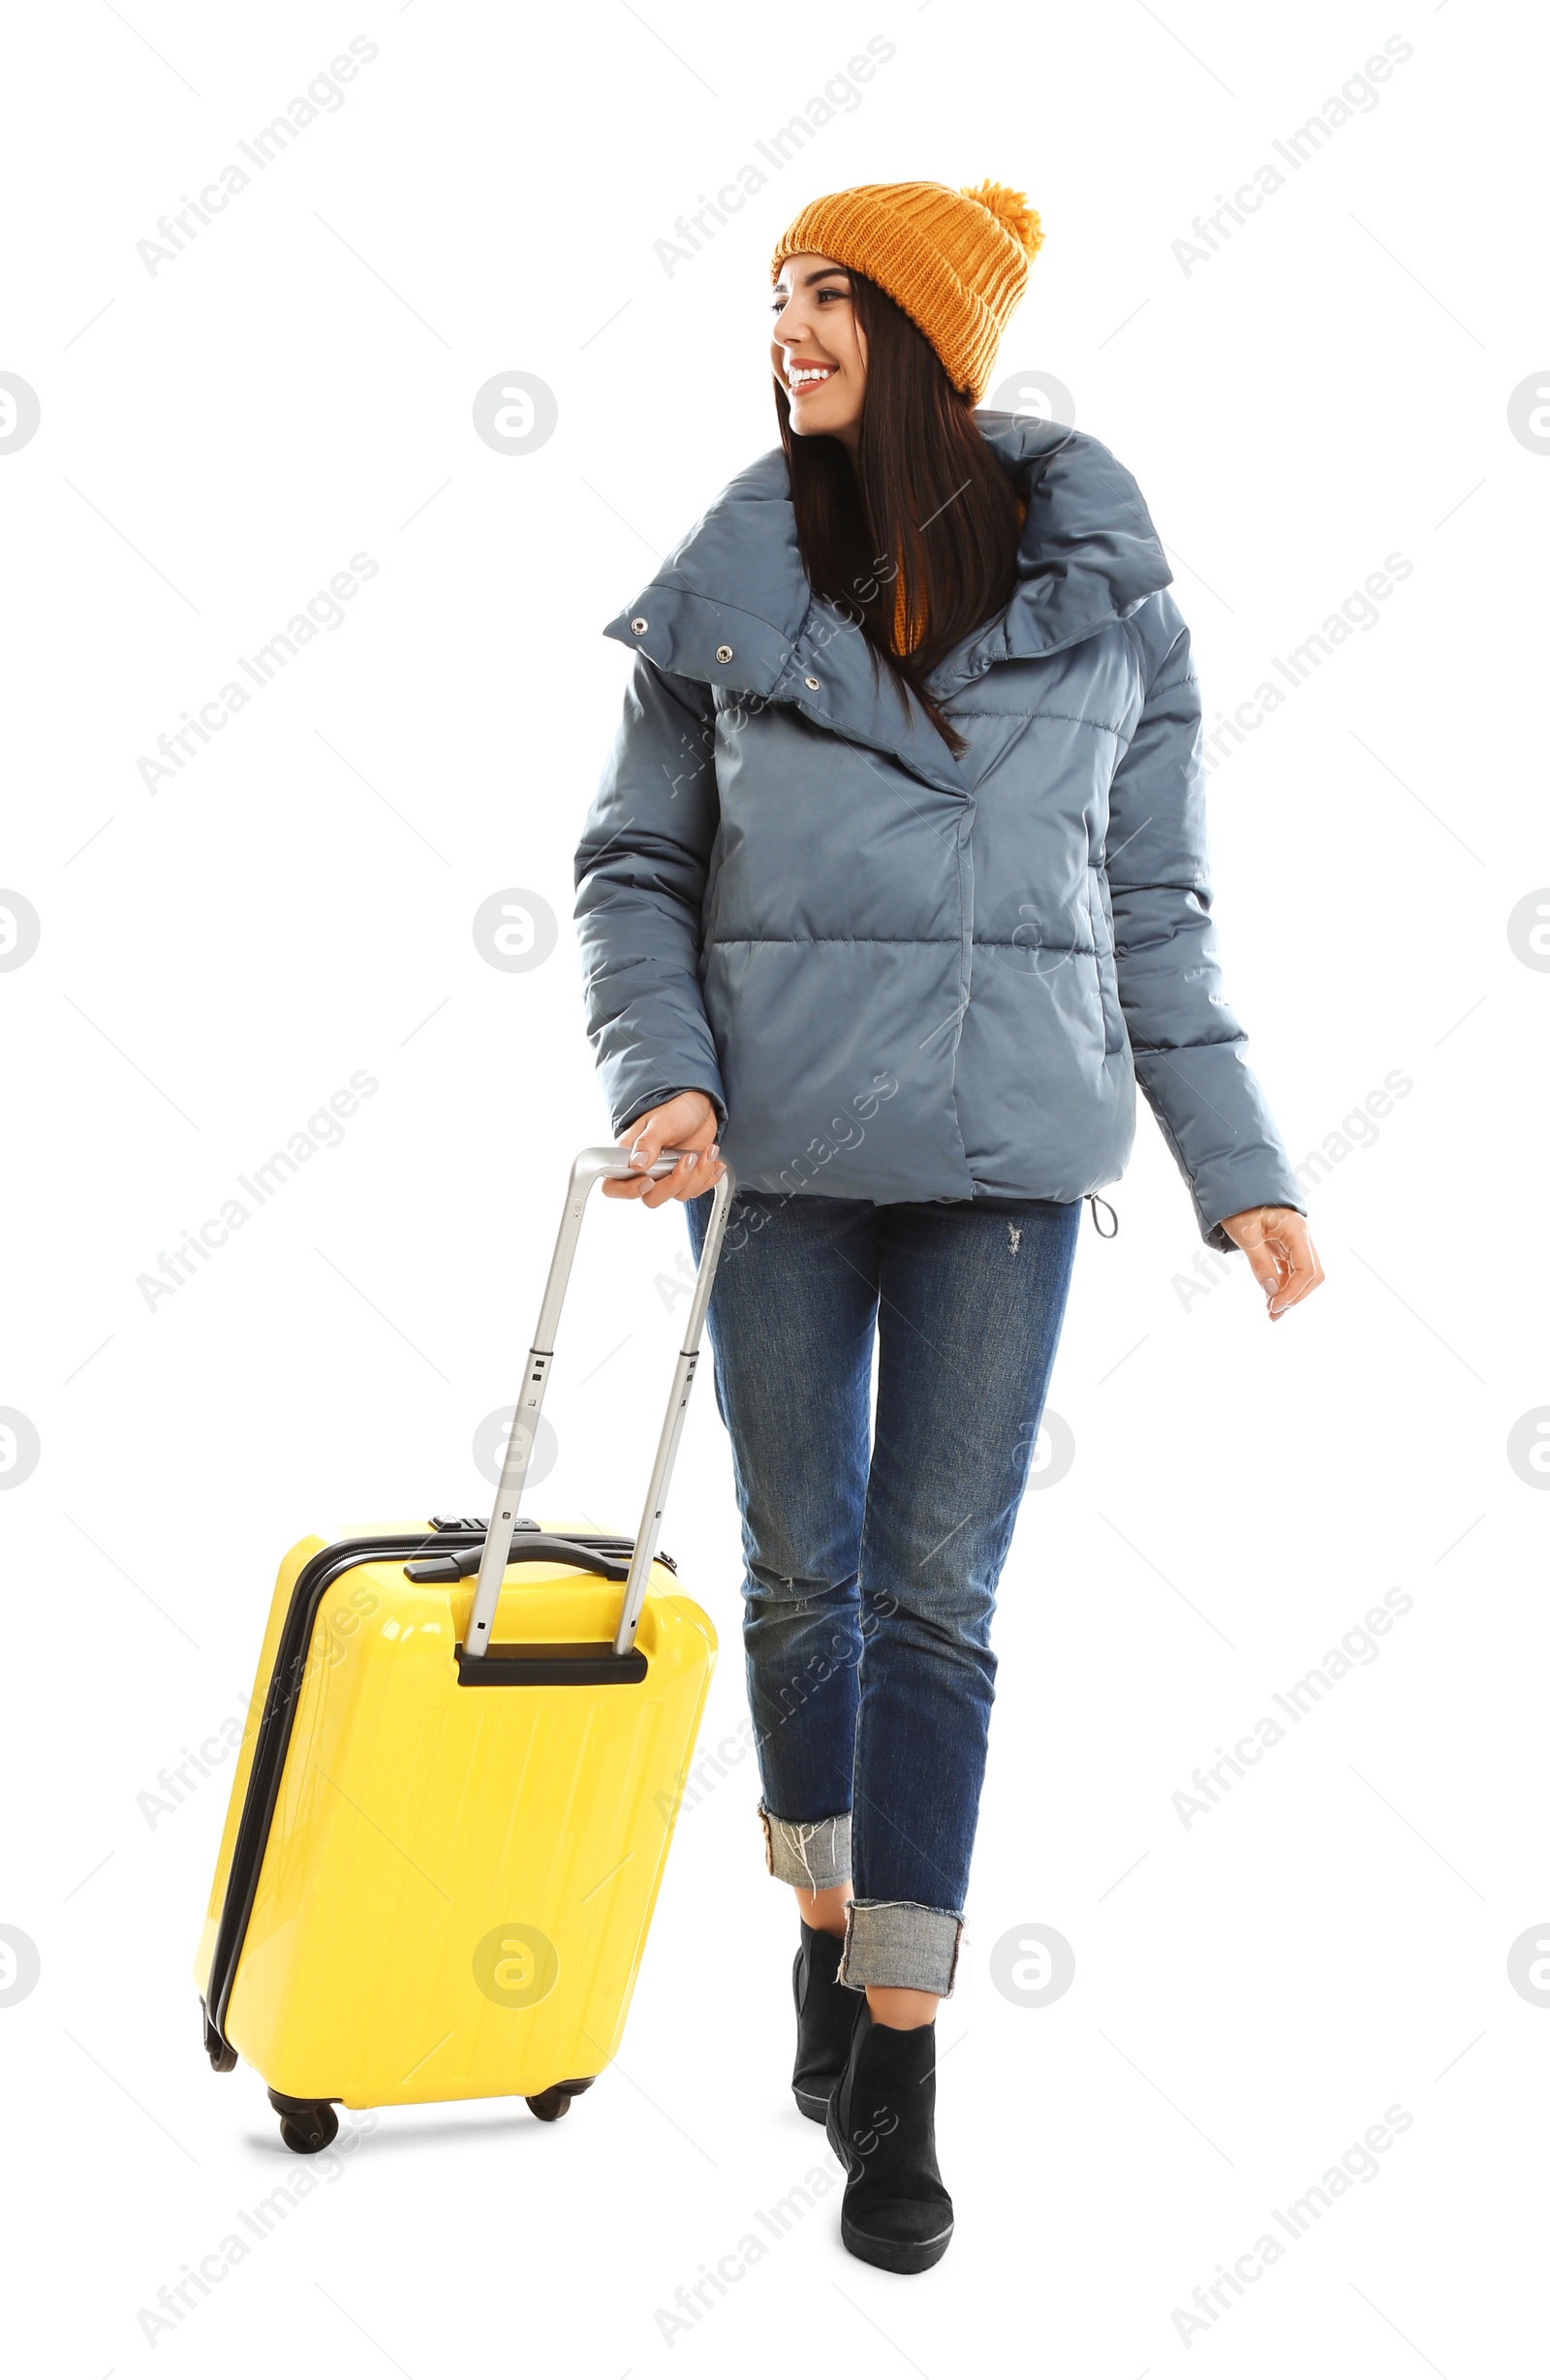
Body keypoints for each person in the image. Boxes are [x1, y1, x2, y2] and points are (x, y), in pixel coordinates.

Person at [573, 178, 1323, 2275]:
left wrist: (1235, 1163)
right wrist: (665, 1075)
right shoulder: (725, 587)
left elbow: (1153, 909)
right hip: (779, 1160)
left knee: (932, 1596)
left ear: (922, 333)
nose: (786, 326)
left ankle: (896, 2050)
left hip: (1003, 1165)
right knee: (800, 1570)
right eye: (775, 294)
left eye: (826, 293)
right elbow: (633, 863)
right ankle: (818, 1911)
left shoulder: (1105, 604)